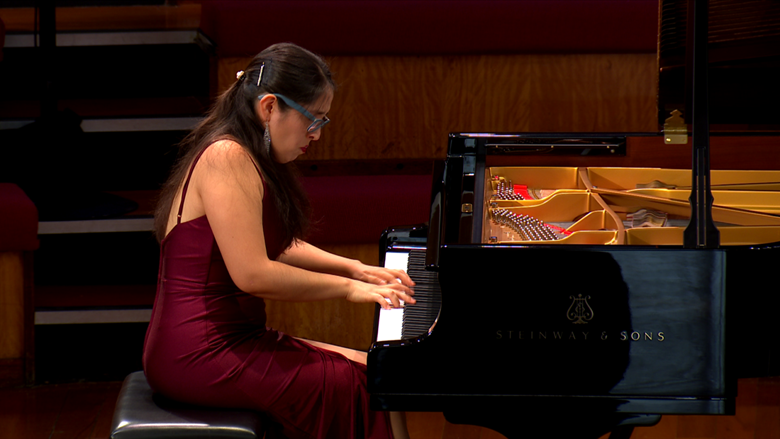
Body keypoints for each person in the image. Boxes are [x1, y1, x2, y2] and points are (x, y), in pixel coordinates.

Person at [142, 42, 415, 439]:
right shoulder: (226, 157)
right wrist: (349, 288)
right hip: (196, 352)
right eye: (313, 119)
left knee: (372, 371)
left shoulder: (248, 155)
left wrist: (356, 268)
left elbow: (277, 244)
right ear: (270, 107)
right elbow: (252, 273)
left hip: (229, 339)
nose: (316, 135)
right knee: (355, 383)